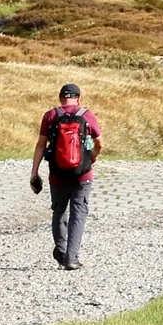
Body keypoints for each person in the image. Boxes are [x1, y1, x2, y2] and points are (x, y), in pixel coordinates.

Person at [29, 82, 102, 269]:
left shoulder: (51, 115)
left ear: (60, 97)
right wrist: (90, 159)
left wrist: (34, 172)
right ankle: (71, 258)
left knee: (59, 213)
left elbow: (40, 145)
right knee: (79, 213)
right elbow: (100, 144)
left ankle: (61, 253)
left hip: (57, 175)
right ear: (79, 97)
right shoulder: (86, 115)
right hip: (82, 175)